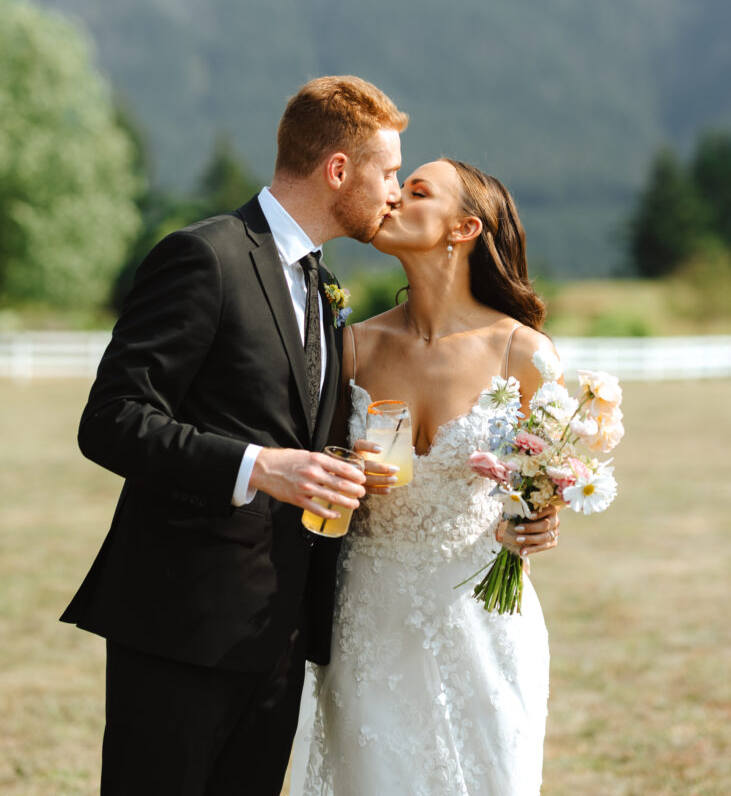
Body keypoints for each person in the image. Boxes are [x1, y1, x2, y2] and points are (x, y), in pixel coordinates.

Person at [60, 75, 409, 796]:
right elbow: (113, 420)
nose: (396, 192)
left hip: (276, 631)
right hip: (180, 620)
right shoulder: (205, 257)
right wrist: (258, 466)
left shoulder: (320, 285)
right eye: (390, 171)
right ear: (337, 169)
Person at [295, 158, 560, 796]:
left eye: (417, 191)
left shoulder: (520, 352)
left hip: (485, 622)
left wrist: (543, 518)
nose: (391, 197)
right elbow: (314, 466)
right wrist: (347, 470)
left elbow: (548, 477)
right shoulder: (350, 345)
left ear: (463, 228)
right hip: (367, 620)